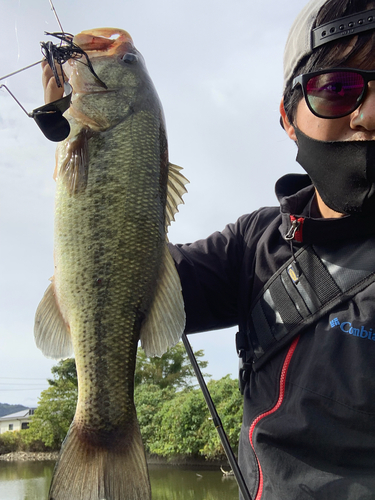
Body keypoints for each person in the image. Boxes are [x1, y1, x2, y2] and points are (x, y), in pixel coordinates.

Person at [42, 1, 375, 498]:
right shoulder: (254, 245)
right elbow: (139, 275)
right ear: (289, 116)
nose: (370, 115)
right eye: (337, 88)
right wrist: (71, 140)